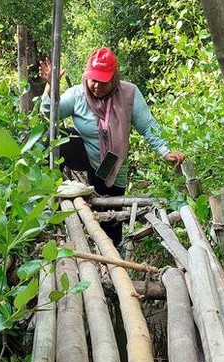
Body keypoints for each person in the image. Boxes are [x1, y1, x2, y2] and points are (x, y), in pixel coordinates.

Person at [39, 47, 185, 246]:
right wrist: (51, 86)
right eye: (93, 79)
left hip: (112, 164)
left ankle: (114, 256)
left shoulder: (129, 93)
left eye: (102, 80)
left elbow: (148, 126)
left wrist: (165, 151)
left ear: (114, 77)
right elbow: (50, 114)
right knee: (54, 136)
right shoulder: (78, 94)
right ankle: (49, 192)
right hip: (84, 156)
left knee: (111, 222)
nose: (96, 86)